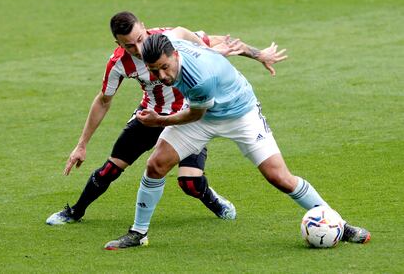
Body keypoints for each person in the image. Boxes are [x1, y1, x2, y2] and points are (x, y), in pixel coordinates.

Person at [103, 33, 370, 249]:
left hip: (239, 114)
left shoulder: (199, 79)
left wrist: (157, 121)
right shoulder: (173, 40)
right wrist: (258, 54)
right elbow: (206, 37)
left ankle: (341, 225)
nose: (161, 76)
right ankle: (138, 233)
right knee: (156, 165)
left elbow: (194, 114)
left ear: (175, 54)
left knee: (279, 176)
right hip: (205, 113)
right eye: (154, 70)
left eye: (164, 67)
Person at [46, 11, 286, 225]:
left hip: (188, 119)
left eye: (140, 39)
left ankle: (215, 201)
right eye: (129, 46)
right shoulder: (118, 63)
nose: (138, 50)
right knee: (110, 169)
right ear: (118, 43)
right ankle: (75, 212)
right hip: (151, 115)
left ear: (144, 26)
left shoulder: (170, 39)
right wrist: (82, 144)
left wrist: (259, 54)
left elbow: (224, 42)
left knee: (189, 184)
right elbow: (103, 101)